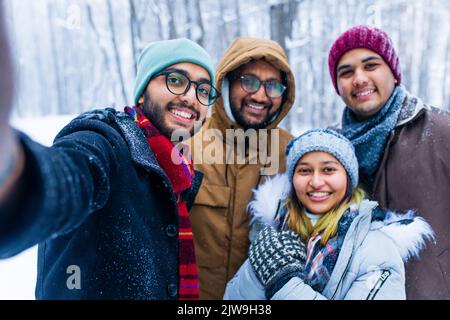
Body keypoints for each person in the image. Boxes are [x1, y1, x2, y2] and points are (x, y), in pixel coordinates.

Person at [0, 22, 221, 299]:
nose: (191, 97)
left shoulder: (179, 173)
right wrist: (12, 175)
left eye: (203, 90)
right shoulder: (105, 141)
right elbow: (68, 176)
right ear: (142, 91)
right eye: (175, 80)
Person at [223, 129, 433, 300]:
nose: (315, 182)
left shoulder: (377, 248)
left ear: (348, 179)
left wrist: (284, 281)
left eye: (328, 170)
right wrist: (256, 271)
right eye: (304, 170)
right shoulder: (275, 232)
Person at [328, 25, 450, 299]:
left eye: (371, 65)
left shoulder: (441, 132)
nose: (359, 78)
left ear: (393, 73)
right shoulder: (329, 148)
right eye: (346, 72)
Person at [188, 37, 296, 299]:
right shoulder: (187, 145)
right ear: (225, 82)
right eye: (248, 81)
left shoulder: (294, 154)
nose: (260, 95)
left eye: (272, 86)